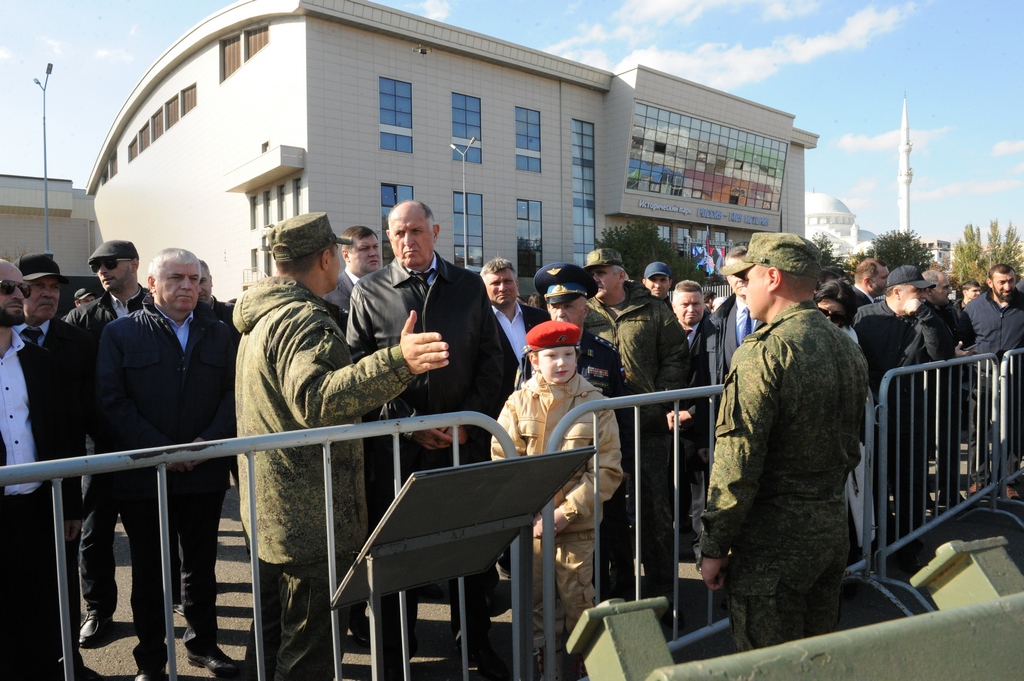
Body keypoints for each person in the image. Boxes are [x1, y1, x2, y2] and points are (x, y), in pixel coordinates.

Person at [234, 212, 449, 680]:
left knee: (270, 640)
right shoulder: (303, 319)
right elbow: (318, 398)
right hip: (310, 519)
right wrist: (399, 361)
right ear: (328, 258)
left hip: (277, 514)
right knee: (307, 651)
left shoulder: (263, 317)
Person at [348, 200, 507, 680]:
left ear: (436, 231)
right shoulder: (371, 292)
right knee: (398, 557)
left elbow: (492, 361)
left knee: (472, 552)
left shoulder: (467, 287)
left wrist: (464, 423)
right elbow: (358, 376)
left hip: (465, 445)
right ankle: (398, 651)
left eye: (416, 231)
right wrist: (413, 423)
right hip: (398, 450)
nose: (407, 241)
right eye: (398, 233)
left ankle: (476, 641)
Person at [699, 233, 868, 652]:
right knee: (816, 659)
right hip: (830, 531)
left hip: (773, 545)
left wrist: (714, 545)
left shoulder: (765, 352)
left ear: (771, 277)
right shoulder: (845, 347)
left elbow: (737, 462)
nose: (742, 287)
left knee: (768, 664)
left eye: (747, 277)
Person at [96, 248, 239, 681]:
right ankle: (152, 658)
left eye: (194, 279)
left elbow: (234, 396)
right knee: (149, 569)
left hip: (203, 471)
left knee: (200, 564)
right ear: (153, 284)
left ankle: (203, 644)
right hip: (144, 474)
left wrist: (203, 444)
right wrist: (162, 451)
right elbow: (111, 401)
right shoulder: (120, 334)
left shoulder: (220, 333)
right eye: (176, 278)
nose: (188, 286)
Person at [490, 320, 622, 678]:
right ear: (534, 360)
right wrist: (527, 509)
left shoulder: (595, 404)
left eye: (568, 354)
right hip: (531, 526)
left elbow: (607, 470)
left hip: (575, 525)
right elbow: (504, 460)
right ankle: (542, 660)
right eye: (551, 355)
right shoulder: (517, 402)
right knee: (535, 600)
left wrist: (568, 511)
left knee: (578, 597)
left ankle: (587, 663)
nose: (561, 362)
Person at [10, 253, 102, 681]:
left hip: (47, 495)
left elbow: (68, 431)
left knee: (58, 585)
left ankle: (68, 660)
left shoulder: (74, 344)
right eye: (33, 287)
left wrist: (71, 504)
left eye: (53, 286)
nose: (47, 294)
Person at [582, 248, 688, 608]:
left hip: (648, 425)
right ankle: (620, 581)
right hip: (600, 427)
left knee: (654, 511)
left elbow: (677, 355)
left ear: (621, 274)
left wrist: (660, 398)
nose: (595, 278)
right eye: (592, 273)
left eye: (602, 271)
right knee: (606, 511)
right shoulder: (584, 312)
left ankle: (663, 591)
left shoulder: (653, 310)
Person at [65, 240, 147, 650]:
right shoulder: (82, 318)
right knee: (94, 534)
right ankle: (99, 610)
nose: (102, 270)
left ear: (134, 264)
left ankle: (166, 606)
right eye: (96, 265)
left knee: (155, 533)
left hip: (150, 444)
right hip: (100, 447)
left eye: (110, 263)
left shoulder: (158, 309)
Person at [533, 262, 632, 601]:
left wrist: (623, 467)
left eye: (568, 305)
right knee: (545, 567)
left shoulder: (604, 354)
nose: (559, 313)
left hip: (594, 474)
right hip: (549, 474)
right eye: (553, 305)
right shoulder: (531, 355)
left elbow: (620, 413)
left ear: (585, 308)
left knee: (600, 553)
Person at [854, 265, 955, 572]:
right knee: (873, 486)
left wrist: (924, 315)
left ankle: (908, 546)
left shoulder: (925, 317)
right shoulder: (866, 317)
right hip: (871, 417)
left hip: (911, 416)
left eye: (926, 290)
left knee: (910, 483)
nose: (923, 295)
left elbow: (943, 354)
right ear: (896, 292)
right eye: (917, 290)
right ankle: (872, 544)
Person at [957, 264, 1024, 498]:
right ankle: (980, 479)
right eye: (1002, 282)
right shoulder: (974, 308)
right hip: (983, 377)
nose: (1007, 286)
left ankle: (1010, 479)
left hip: (1016, 377)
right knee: (978, 427)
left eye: (1011, 281)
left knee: (1014, 429)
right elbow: (962, 339)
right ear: (990, 282)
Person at [666, 280, 713, 569]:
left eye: (697, 303)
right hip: (667, 426)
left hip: (699, 426)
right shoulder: (665, 336)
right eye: (684, 304)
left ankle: (701, 550)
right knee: (671, 492)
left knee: (701, 496)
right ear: (674, 307)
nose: (691, 309)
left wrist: (692, 413)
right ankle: (674, 549)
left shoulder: (714, 334)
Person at [482, 257, 548, 404]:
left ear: (517, 284)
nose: (502, 288)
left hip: (539, 406)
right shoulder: (477, 323)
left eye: (507, 281)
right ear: (484, 288)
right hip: (496, 411)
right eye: (495, 283)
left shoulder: (541, 318)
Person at [707, 246, 763, 385]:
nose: (739, 279)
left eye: (743, 272)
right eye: (733, 273)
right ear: (727, 278)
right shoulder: (714, 322)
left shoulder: (775, 316)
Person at [323, 224, 381, 322]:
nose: (373, 253)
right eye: (364, 248)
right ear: (346, 255)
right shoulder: (329, 295)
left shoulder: (391, 287)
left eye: (375, 247)